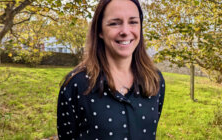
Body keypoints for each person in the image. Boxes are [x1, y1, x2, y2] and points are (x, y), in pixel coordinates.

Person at [57, 0, 165, 139]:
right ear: (100, 31)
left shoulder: (155, 80)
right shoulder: (76, 85)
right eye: (114, 23)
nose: (125, 31)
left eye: (133, 22)